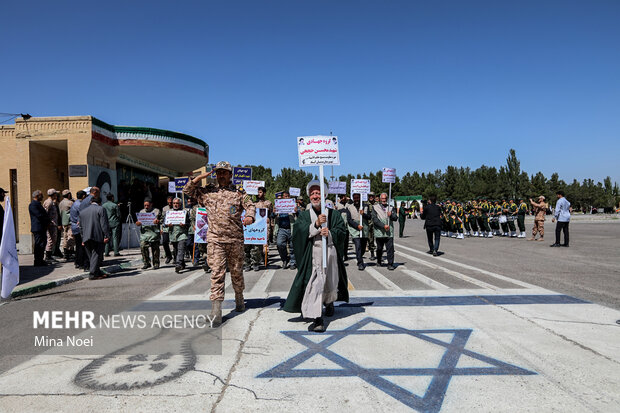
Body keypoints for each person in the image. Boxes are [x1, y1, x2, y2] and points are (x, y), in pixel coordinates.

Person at [183, 161, 256, 326]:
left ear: (230, 174)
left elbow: (250, 205)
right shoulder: (207, 192)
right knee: (217, 272)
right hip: (215, 240)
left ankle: (239, 296)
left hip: (235, 239)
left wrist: (250, 216)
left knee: (237, 271)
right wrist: (199, 178)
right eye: (219, 172)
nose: (221, 175)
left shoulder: (239, 192)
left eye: (225, 172)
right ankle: (216, 309)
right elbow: (187, 191)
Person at [283, 180, 349, 333]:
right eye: (312, 193)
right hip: (314, 255)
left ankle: (329, 302)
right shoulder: (305, 215)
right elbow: (298, 232)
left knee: (330, 282)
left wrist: (330, 233)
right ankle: (317, 318)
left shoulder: (334, 214)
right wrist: (316, 225)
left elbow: (342, 232)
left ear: (324, 195)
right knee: (315, 283)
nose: (315, 196)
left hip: (330, 254)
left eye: (318, 193)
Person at [79, 194, 110, 279]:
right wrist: (107, 235)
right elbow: (104, 224)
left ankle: (97, 272)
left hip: (86, 237)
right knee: (96, 255)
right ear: (100, 203)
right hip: (97, 236)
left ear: (91, 202)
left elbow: (81, 227)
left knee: (92, 257)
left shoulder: (82, 212)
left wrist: (82, 238)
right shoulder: (101, 209)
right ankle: (92, 274)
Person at [245, 186, 272, 271]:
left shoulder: (268, 203)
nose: (258, 194)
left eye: (260, 192)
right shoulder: (252, 204)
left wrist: (269, 219)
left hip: (262, 228)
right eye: (257, 192)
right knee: (247, 246)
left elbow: (271, 214)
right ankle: (247, 263)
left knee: (258, 246)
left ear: (264, 193)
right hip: (251, 227)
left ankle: (256, 262)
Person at [371, 193, 398, 270]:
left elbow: (395, 218)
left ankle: (390, 264)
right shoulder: (375, 207)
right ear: (380, 199)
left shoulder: (391, 208)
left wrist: (391, 215)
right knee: (379, 248)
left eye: (385, 198)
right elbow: (374, 219)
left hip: (389, 232)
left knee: (390, 248)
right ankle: (379, 260)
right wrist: (383, 225)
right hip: (379, 232)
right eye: (382, 198)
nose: (384, 200)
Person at [345, 193, 371, 270]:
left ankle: (359, 256)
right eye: (355, 198)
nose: (356, 199)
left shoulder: (366, 206)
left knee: (363, 247)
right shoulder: (349, 207)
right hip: (355, 229)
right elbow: (349, 220)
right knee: (358, 246)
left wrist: (364, 214)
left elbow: (369, 217)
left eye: (358, 198)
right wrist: (357, 226)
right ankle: (360, 262)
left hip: (364, 230)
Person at [273, 190, 297, 270]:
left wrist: (296, 211)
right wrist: (274, 212)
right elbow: (272, 216)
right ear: (282, 198)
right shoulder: (278, 205)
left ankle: (293, 262)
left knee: (293, 246)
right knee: (280, 244)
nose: (286, 198)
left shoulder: (293, 205)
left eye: (288, 196)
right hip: (281, 229)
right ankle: (285, 259)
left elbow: (300, 215)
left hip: (292, 228)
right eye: (285, 197)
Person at [136, 198, 161, 270]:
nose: (146, 207)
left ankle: (156, 263)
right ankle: (146, 263)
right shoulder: (141, 212)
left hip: (154, 233)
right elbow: (138, 221)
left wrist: (158, 221)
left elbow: (162, 220)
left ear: (151, 204)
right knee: (143, 247)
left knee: (155, 249)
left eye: (148, 205)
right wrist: (138, 223)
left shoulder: (156, 211)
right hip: (145, 233)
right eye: (145, 205)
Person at [168, 197, 189, 272]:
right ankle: (182, 263)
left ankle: (178, 265)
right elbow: (164, 223)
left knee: (181, 249)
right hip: (173, 234)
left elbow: (188, 222)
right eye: (174, 203)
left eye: (177, 203)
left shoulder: (184, 212)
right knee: (176, 250)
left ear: (180, 204)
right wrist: (168, 225)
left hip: (182, 234)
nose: (175, 205)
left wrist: (184, 224)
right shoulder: (169, 212)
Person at [29, 190, 50, 266]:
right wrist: (47, 220)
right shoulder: (33, 205)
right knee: (38, 244)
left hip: (42, 227)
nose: (42, 197)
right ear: (37, 196)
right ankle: (37, 260)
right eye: (41, 195)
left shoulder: (38, 204)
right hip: (38, 227)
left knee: (42, 244)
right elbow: (39, 215)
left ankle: (40, 259)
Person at [70, 191, 88, 269]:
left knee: (78, 245)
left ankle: (77, 261)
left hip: (74, 226)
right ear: (83, 196)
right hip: (79, 227)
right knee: (81, 246)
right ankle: (81, 262)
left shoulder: (75, 203)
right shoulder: (80, 205)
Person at [43, 189, 61, 262]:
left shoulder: (52, 202)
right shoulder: (49, 202)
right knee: (50, 240)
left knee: (53, 240)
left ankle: (49, 255)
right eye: (55, 194)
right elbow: (45, 213)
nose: (56, 196)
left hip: (53, 224)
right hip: (51, 224)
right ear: (53, 195)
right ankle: (48, 256)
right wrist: (48, 223)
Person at [58, 190, 75, 260]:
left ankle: (65, 251)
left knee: (65, 237)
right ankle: (69, 251)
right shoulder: (70, 202)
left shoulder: (61, 203)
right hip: (69, 222)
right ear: (68, 195)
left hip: (63, 222)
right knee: (71, 237)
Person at [335, 194, 351, 261]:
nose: (343, 198)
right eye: (342, 197)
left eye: (344, 197)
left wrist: (349, 199)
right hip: (340, 226)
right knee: (341, 241)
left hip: (347, 227)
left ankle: (345, 254)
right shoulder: (337, 205)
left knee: (346, 241)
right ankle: (340, 254)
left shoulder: (349, 205)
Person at [160, 196, 174, 264]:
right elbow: (162, 219)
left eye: (171, 202)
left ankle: (176, 257)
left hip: (174, 228)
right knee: (165, 242)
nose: (170, 203)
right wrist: (161, 228)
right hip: (166, 228)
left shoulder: (177, 208)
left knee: (175, 243)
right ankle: (169, 256)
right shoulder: (164, 208)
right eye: (168, 202)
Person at [366, 192, 377, 260]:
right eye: (370, 196)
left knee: (379, 239)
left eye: (372, 196)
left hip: (376, 224)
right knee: (370, 239)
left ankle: (379, 254)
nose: (371, 197)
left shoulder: (377, 204)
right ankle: (372, 253)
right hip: (369, 224)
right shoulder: (366, 204)